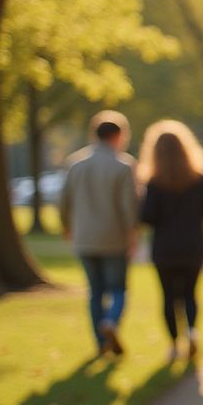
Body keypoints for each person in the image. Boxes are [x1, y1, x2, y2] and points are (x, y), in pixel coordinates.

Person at [138, 120, 203, 363]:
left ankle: (174, 344)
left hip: (164, 248)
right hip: (194, 245)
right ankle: (192, 332)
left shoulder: (153, 182)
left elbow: (146, 217)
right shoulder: (199, 176)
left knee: (168, 297)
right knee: (190, 293)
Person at [61, 110, 139, 357]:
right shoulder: (123, 166)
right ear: (118, 135)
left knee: (95, 292)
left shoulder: (76, 164)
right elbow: (129, 207)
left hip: (84, 238)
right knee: (118, 289)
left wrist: (67, 226)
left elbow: (64, 202)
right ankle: (111, 322)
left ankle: (99, 342)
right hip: (114, 239)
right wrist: (133, 235)